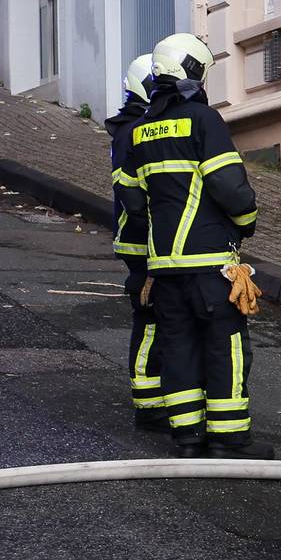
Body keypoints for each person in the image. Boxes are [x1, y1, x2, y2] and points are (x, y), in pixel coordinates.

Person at [123, 33, 269, 459]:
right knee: (226, 346)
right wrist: (246, 222)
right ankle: (229, 438)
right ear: (191, 71)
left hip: (164, 269)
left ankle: (187, 437)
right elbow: (230, 187)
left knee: (178, 346)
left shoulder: (139, 130)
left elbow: (133, 203)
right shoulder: (203, 119)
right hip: (210, 266)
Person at [107, 53, 169, 433]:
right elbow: (136, 196)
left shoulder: (132, 126)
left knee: (156, 318)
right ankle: (149, 403)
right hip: (142, 241)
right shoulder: (134, 130)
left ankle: (159, 396)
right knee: (149, 318)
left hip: (144, 238)